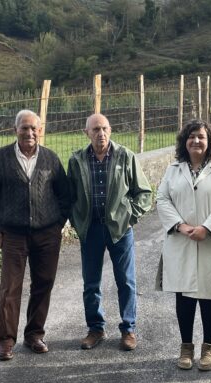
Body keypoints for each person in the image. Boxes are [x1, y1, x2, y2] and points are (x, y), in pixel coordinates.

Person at [0, 110, 70, 361]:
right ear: (15, 130)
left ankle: (34, 335)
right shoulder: (0, 159)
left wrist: (58, 225)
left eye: (34, 128)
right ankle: (5, 340)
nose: (29, 133)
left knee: (43, 284)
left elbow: (65, 196)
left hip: (47, 234)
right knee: (10, 287)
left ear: (40, 130)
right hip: (12, 234)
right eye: (24, 128)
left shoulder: (51, 159)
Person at [156, 120, 211, 371]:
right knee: (184, 294)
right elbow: (162, 198)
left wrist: (206, 228)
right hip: (181, 240)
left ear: (209, 140)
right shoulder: (173, 170)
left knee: (209, 294)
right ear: (184, 141)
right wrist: (180, 225)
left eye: (201, 137)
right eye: (191, 137)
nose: (196, 141)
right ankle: (186, 347)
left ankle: (208, 348)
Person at [67, 113, 152, 351]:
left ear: (110, 130)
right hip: (91, 229)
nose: (100, 133)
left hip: (120, 230)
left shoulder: (125, 156)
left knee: (126, 280)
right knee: (91, 282)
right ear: (86, 133)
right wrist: (77, 221)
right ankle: (96, 329)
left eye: (104, 128)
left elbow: (143, 193)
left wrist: (129, 216)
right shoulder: (77, 160)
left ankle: (128, 329)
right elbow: (70, 196)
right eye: (95, 129)